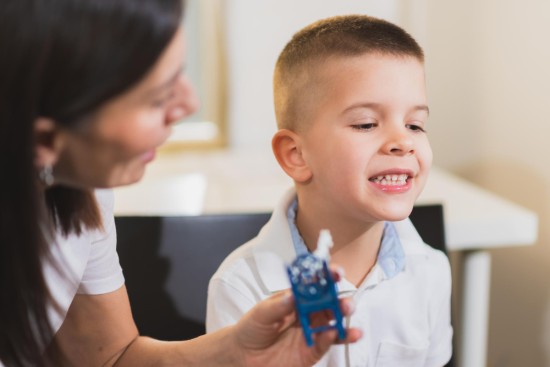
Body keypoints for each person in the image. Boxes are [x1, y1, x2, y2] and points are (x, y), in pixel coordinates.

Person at [0, 1, 362, 366]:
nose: (190, 103)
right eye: (158, 96)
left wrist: (237, 352)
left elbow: (110, 357)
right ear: (44, 141)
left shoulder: (82, 192)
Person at [206, 14, 453, 366]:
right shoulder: (242, 286)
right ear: (296, 155)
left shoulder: (432, 271)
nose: (403, 141)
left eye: (415, 124)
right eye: (367, 123)